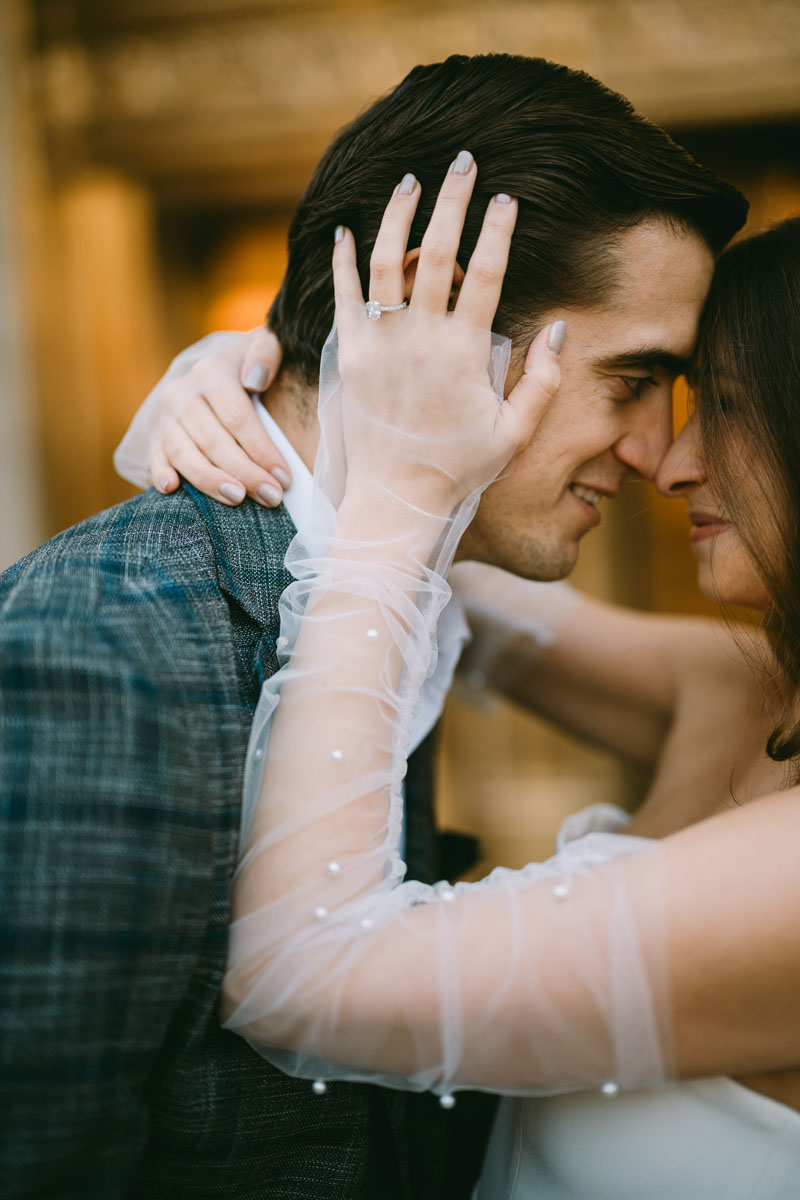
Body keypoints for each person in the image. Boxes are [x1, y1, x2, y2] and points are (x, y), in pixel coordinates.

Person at [0, 54, 746, 1199]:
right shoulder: (109, 636)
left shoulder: (413, 581)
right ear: (421, 306)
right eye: (631, 379)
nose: (654, 454)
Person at [156, 183, 800, 1194]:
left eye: (721, 404)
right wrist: (271, 395)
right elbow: (469, 595)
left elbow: (302, 979)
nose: (670, 462)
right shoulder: (751, 690)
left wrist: (399, 486)